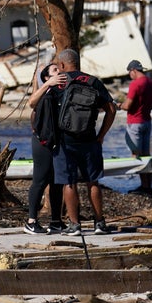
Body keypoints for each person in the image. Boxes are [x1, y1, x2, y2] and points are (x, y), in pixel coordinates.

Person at [53, 48, 117, 236]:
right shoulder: (92, 81)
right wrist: (101, 135)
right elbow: (111, 109)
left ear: (63, 65)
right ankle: (99, 223)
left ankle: (75, 225)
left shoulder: (59, 83)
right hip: (90, 140)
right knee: (93, 181)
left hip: (64, 141)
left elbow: (41, 110)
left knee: (69, 183)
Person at [24, 62, 68, 235]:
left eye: (60, 69)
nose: (59, 72)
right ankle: (31, 221)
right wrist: (47, 84)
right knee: (40, 181)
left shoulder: (62, 92)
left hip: (57, 142)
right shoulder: (45, 91)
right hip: (41, 143)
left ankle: (56, 221)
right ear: (46, 77)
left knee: (57, 183)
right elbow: (31, 102)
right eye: (55, 70)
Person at [119, 59, 152, 196]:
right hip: (147, 121)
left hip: (135, 123)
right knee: (146, 155)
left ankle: (143, 187)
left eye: (130, 72)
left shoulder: (135, 84)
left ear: (133, 70)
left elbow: (128, 105)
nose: (130, 75)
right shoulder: (151, 84)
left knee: (137, 156)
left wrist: (119, 105)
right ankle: (148, 187)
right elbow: (151, 105)